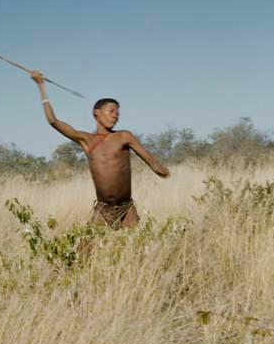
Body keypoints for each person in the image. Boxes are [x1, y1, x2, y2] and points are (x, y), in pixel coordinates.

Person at [30, 71, 170, 229]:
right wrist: (41, 86)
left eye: (117, 112)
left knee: (138, 246)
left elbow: (151, 161)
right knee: (87, 249)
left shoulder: (124, 136)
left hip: (126, 208)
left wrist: (162, 170)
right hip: (103, 208)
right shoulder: (86, 140)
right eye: (111, 111)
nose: (116, 115)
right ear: (97, 113)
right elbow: (53, 121)